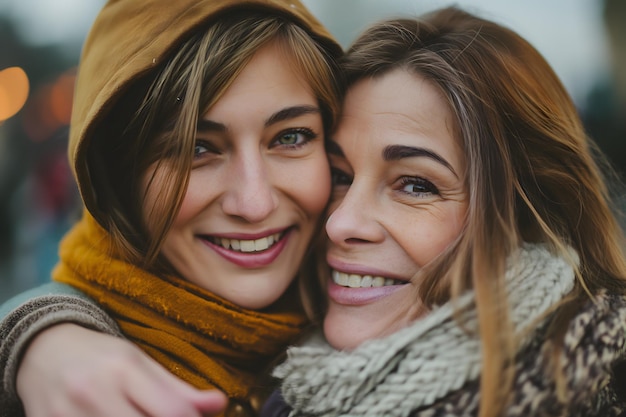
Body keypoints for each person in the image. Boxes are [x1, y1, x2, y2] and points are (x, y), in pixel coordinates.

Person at [260, 6, 626, 417]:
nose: (340, 223)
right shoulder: (278, 385)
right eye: (340, 176)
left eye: (415, 185)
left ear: (529, 219)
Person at [0, 0, 342, 416]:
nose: (255, 203)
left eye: (290, 138)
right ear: (114, 176)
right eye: (195, 148)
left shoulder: (387, 317)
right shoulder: (63, 393)